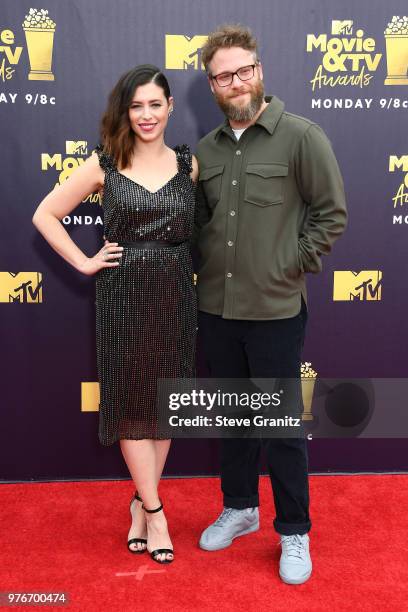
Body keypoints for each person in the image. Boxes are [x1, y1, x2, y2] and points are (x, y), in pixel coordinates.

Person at [194, 25, 347, 584]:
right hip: (215, 309)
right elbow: (200, 226)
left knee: (280, 426)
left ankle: (294, 532)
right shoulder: (206, 150)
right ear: (211, 85)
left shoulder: (302, 136)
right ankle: (240, 508)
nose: (234, 82)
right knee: (234, 421)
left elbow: (332, 213)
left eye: (243, 70)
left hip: (277, 311)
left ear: (259, 72)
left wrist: (291, 262)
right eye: (222, 76)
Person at [32, 64, 198, 564]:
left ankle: (139, 508)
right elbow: (45, 214)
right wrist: (84, 261)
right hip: (122, 295)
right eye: (136, 106)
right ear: (125, 111)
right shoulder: (105, 164)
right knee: (130, 404)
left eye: (155, 104)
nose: (146, 115)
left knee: (165, 406)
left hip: (174, 294)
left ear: (170, 107)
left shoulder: (189, 165)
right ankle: (157, 512)